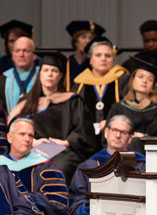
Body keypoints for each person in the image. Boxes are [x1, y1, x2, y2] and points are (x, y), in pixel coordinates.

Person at [8, 52, 95, 183]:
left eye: (54, 71)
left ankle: (56, 202)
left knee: (60, 167)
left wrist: (66, 142)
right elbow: (15, 128)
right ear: (40, 74)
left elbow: (84, 129)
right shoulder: (27, 103)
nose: (49, 74)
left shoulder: (72, 101)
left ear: (60, 75)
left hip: (64, 151)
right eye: (46, 70)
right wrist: (32, 142)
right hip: (32, 148)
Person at [0, 118, 68, 215]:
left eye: (30, 135)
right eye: (22, 134)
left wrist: (23, 205)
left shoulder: (46, 166)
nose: (27, 139)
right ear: (9, 137)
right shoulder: (1, 165)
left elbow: (57, 203)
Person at [107, 57, 157, 154]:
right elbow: (107, 140)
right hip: (120, 160)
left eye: (150, 79)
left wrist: (147, 140)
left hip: (154, 162)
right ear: (132, 81)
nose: (145, 81)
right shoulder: (118, 109)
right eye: (140, 77)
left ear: (153, 87)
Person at [72, 36, 129, 146]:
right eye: (98, 55)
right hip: (85, 136)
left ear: (113, 59)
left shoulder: (122, 79)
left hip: (115, 136)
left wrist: (110, 122)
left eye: (108, 56)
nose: (103, 59)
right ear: (91, 60)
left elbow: (127, 108)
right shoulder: (80, 82)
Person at [0, 36, 39, 113]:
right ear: (12, 55)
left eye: (26, 51)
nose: (21, 54)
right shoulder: (4, 79)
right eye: (17, 51)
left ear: (34, 55)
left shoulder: (42, 76)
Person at [65, 20, 106, 85]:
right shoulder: (66, 63)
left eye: (91, 38)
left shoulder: (95, 64)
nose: (87, 41)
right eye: (83, 37)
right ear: (75, 41)